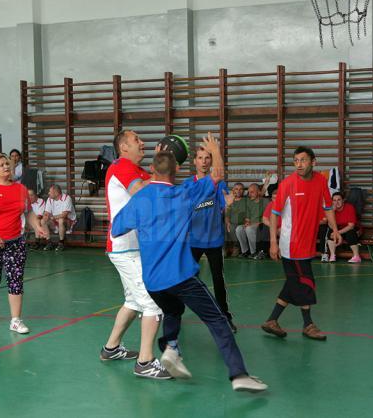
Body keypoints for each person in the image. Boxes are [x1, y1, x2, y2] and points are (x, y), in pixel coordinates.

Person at [112, 136, 267, 392]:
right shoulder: (182, 193)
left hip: (152, 282)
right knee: (218, 321)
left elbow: (117, 229)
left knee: (172, 310)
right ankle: (239, 374)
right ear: (176, 171)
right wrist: (216, 149)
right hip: (180, 277)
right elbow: (216, 176)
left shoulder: (139, 199)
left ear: (152, 170)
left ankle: (171, 349)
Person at [101, 129, 170, 380]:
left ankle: (111, 348)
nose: (143, 143)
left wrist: (162, 168)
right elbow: (143, 192)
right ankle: (145, 362)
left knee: (132, 301)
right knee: (152, 302)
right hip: (124, 247)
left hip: (133, 247)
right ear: (123, 148)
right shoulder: (122, 166)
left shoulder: (138, 170)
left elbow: (158, 188)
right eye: (136, 140)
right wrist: (160, 173)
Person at [262, 146, 340, 341]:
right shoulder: (288, 184)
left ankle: (272, 320)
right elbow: (274, 214)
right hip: (291, 244)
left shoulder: (321, 181)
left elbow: (328, 207)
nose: (298, 164)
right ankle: (308, 325)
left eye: (303, 160)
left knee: (293, 282)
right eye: (296, 161)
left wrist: (336, 229)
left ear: (313, 162)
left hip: (308, 243)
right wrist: (273, 242)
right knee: (306, 282)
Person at [0, 153, 47, 334]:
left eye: (8, 163)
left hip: (15, 242)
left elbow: (28, 212)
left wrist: (37, 226)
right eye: (1, 165)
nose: (6, 167)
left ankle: (15, 320)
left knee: (16, 280)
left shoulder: (21, 189)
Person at [184, 147, 236, 332]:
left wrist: (227, 206)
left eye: (207, 158)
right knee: (186, 279)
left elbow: (224, 205)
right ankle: (176, 313)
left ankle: (225, 316)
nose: (204, 161)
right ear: (195, 161)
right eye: (200, 158)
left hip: (214, 240)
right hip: (193, 240)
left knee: (218, 279)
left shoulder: (219, 183)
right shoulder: (188, 184)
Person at [318, 192, 362, 263]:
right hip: (337, 228)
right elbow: (330, 225)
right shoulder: (331, 209)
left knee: (351, 233)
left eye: (339, 200)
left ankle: (356, 256)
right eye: (334, 200)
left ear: (343, 200)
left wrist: (337, 233)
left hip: (348, 228)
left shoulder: (349, 207)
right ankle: (332, 255)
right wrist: (332, 212)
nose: (336, 202)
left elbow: (351, 226)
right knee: (330, 233)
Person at [235, 183, 267, 258]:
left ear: (259, 192)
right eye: (249, 192)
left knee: (249, 229)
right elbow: (247, 218)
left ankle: (254, 252)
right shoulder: (249, 202)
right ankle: (245, 251)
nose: (250, 194)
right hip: (251, 224)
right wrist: (247, 222)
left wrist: (255, 223)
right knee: (239, 229)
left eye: (252, 192)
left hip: (261, 225)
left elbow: (267, 218)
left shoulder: (265, 202)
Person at [42, 185, 76, 252]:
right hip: (55, 220)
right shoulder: (49, 199)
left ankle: (61, 243)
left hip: (69, 221)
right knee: (43, 221)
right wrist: (45, 216)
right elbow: (46, 212)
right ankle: (49, 242)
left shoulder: (67, 198)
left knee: (61, 220)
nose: (48, 193)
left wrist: (52, 217)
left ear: (56, 193)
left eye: (50, 192)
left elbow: (64, 215)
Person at [225, 183, 246, 257]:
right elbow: (227, 215)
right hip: (231, 223)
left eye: (241, 189)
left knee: (232, 227)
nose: (238, 191)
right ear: (233, 190)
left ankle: (236, 247)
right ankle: (225, 248)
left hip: (241, 223)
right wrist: (227, 222)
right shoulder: (230, 201)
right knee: (223, 226)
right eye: (236, 189)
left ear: (243, 191)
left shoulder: (246, 200)